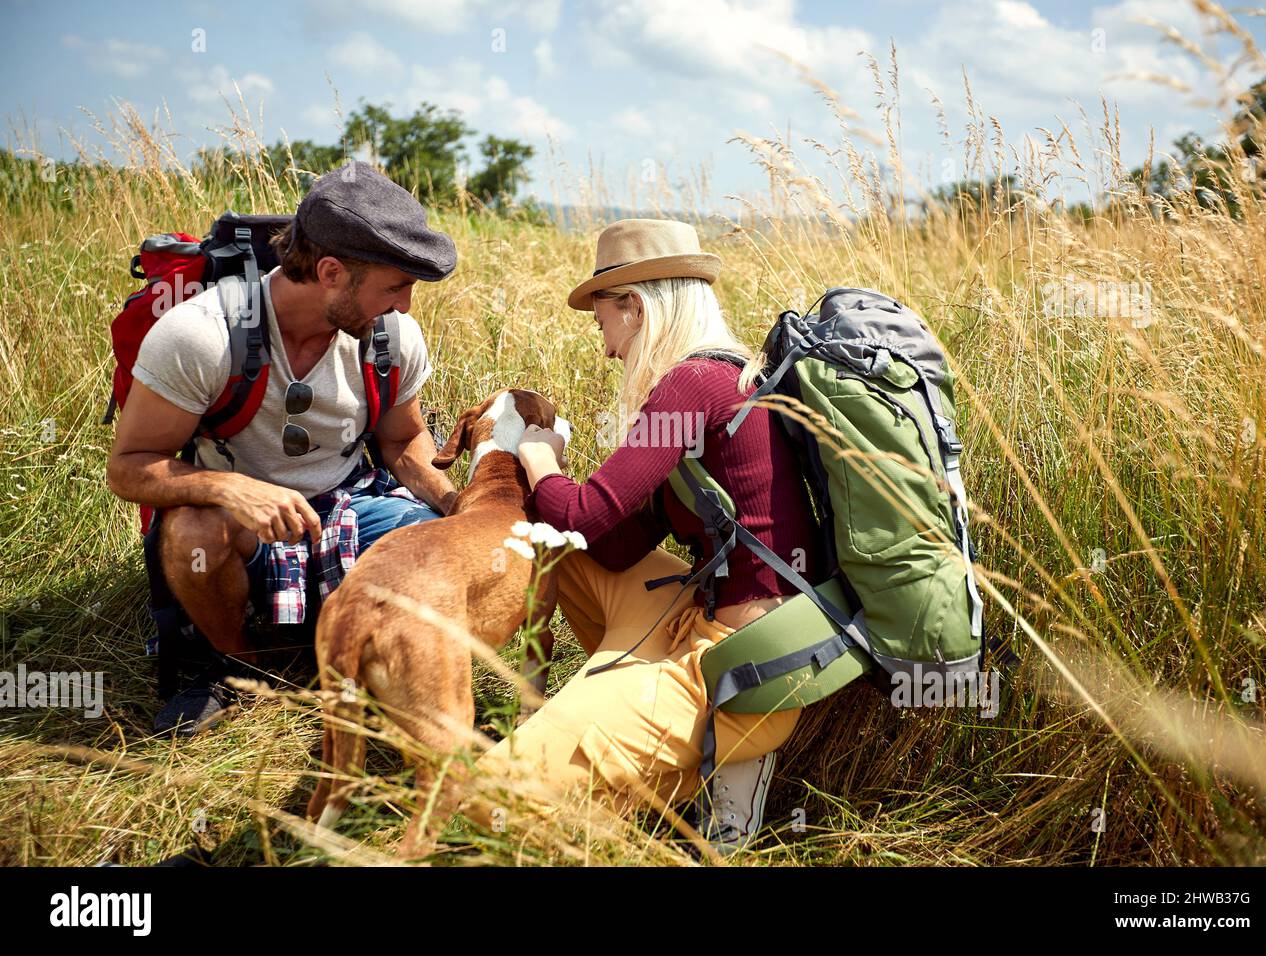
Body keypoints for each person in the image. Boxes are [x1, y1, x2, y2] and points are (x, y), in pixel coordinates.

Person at [460, 218, 824, 855]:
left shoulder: (693, 384)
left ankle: (693, 745)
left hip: (740, 667)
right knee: (550, 549)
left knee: (485, 798)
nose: (604, 348)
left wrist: (540, 459)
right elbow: (612, 541)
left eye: (602, 322)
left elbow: (581, 514)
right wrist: (571, 499)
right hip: (710, 622)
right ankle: (625, 715)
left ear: (634, 306)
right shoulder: (726, 379)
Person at [106, 162, 461, 735]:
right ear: (330, 272)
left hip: (349, 508)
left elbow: (402, 440)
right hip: (240, 526)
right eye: (395, 286)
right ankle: (237, 665)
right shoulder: (202, 335)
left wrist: (454, 505)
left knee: (429, 545)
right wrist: (229, 487)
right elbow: (128, 468)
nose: (406, 307)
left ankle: (347, 650)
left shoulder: (392, 337)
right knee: (194, 529)